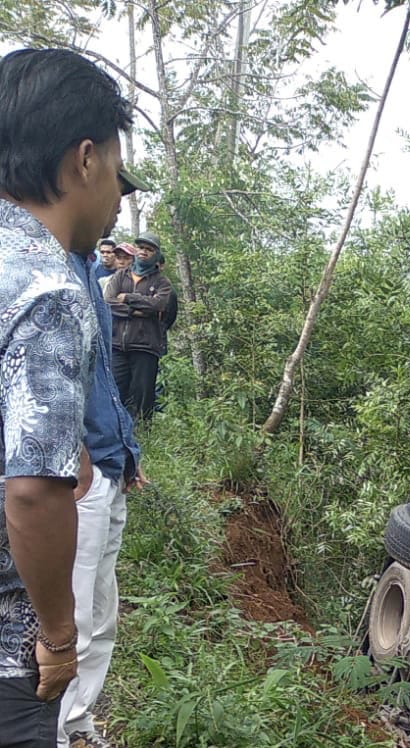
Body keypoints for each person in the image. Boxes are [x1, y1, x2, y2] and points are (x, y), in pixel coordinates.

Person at [0, 47, 137, 747]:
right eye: (117, 170)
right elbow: (31, 493)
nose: (117, 194)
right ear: (84, 160)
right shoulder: (50, 290)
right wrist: (56, 636)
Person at [62, 235, 147, 748]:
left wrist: (126, 451)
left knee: (100, 616)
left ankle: (77, 725)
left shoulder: (87, 269)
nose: (118, 203)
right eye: (115, 185)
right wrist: (76, 452)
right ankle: (49, 729)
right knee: (68, 620)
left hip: (107, 465)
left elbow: (100, 379)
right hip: (76, 477)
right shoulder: (44, 268)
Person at [104, 231, 172, 421]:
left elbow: (159, 305)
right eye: (141, 247)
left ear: (156, 254)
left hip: (145, 346)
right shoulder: (120, 276)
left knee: (143, 397)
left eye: (149, 249)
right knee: (115, 394)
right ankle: (116, 436)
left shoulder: (162, 283)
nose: (143, 252)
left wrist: (128, 298)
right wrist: (135, 311)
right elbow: (108, 302)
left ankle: (144, 438)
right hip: (118, 345)